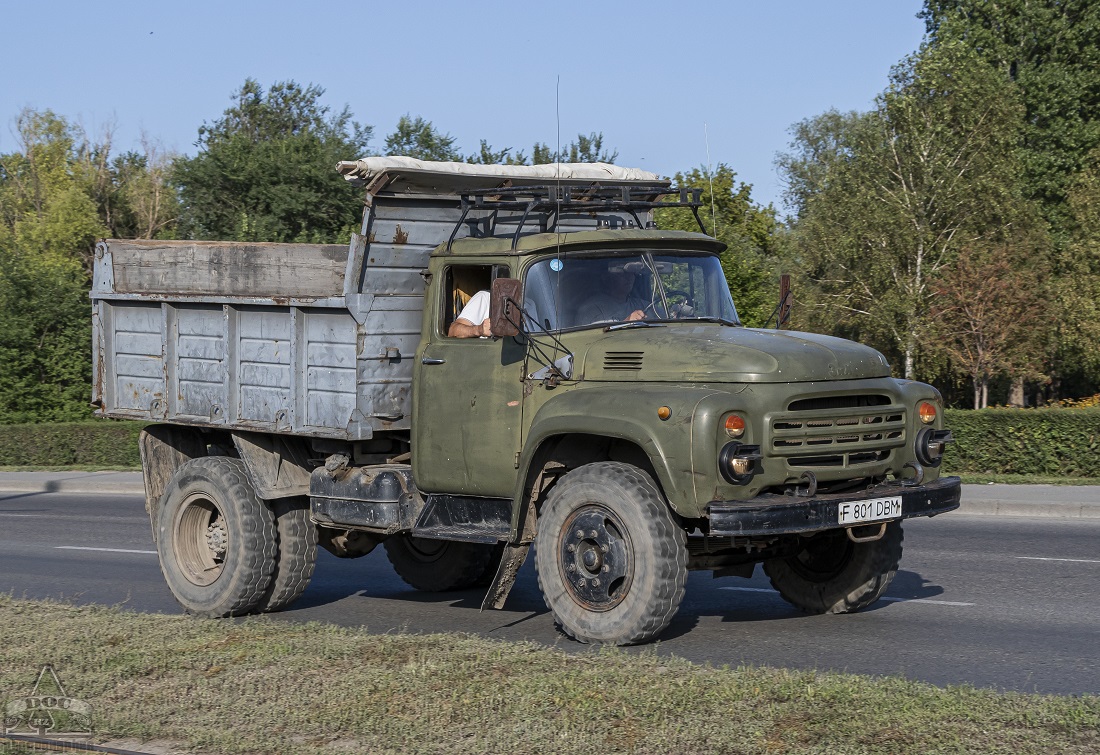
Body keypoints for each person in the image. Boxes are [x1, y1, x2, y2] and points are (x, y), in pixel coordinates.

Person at [576, 266, 650, 325]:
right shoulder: (591, 308)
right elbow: (596, 340)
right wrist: (627, 323)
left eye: (632, 273)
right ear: (606, 277)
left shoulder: (644, 306)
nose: (629, 277)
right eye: (622, 273)